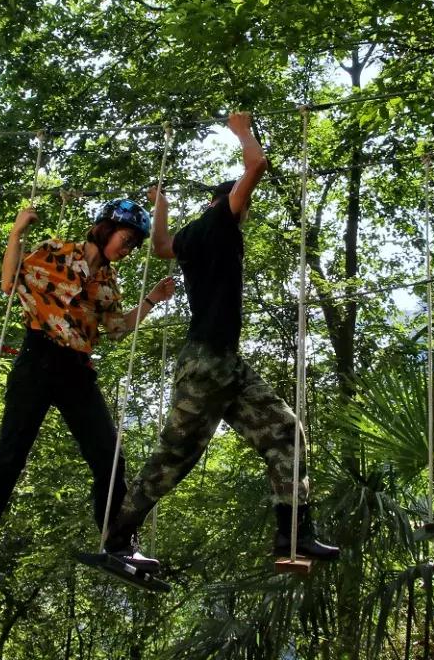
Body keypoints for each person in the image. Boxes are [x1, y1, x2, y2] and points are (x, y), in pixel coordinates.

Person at [106, 113, 339, 563]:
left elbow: (158, 247)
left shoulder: (191, 237)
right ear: (225, 203)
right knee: (177, 454)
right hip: (207, 363)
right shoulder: (219, 222)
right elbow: (256, 166)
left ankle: (293, 534)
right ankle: (117, 536)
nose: (245, 213)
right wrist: (241, 131)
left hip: (224, 364)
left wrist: (162, 206)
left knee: (285, 431)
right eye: (241, 205)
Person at [0, 198, 175, 574]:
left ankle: (117, 545)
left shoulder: (107, 283)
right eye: (125, 238)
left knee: (109, 456)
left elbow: (117, 329)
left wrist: (151, 300)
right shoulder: (56, 252)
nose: (127, 249)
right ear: (105, 228)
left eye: (133, 244)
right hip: (38, 357)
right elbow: (9, 281)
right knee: (12, 452)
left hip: (77, 370)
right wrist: (17, 232)